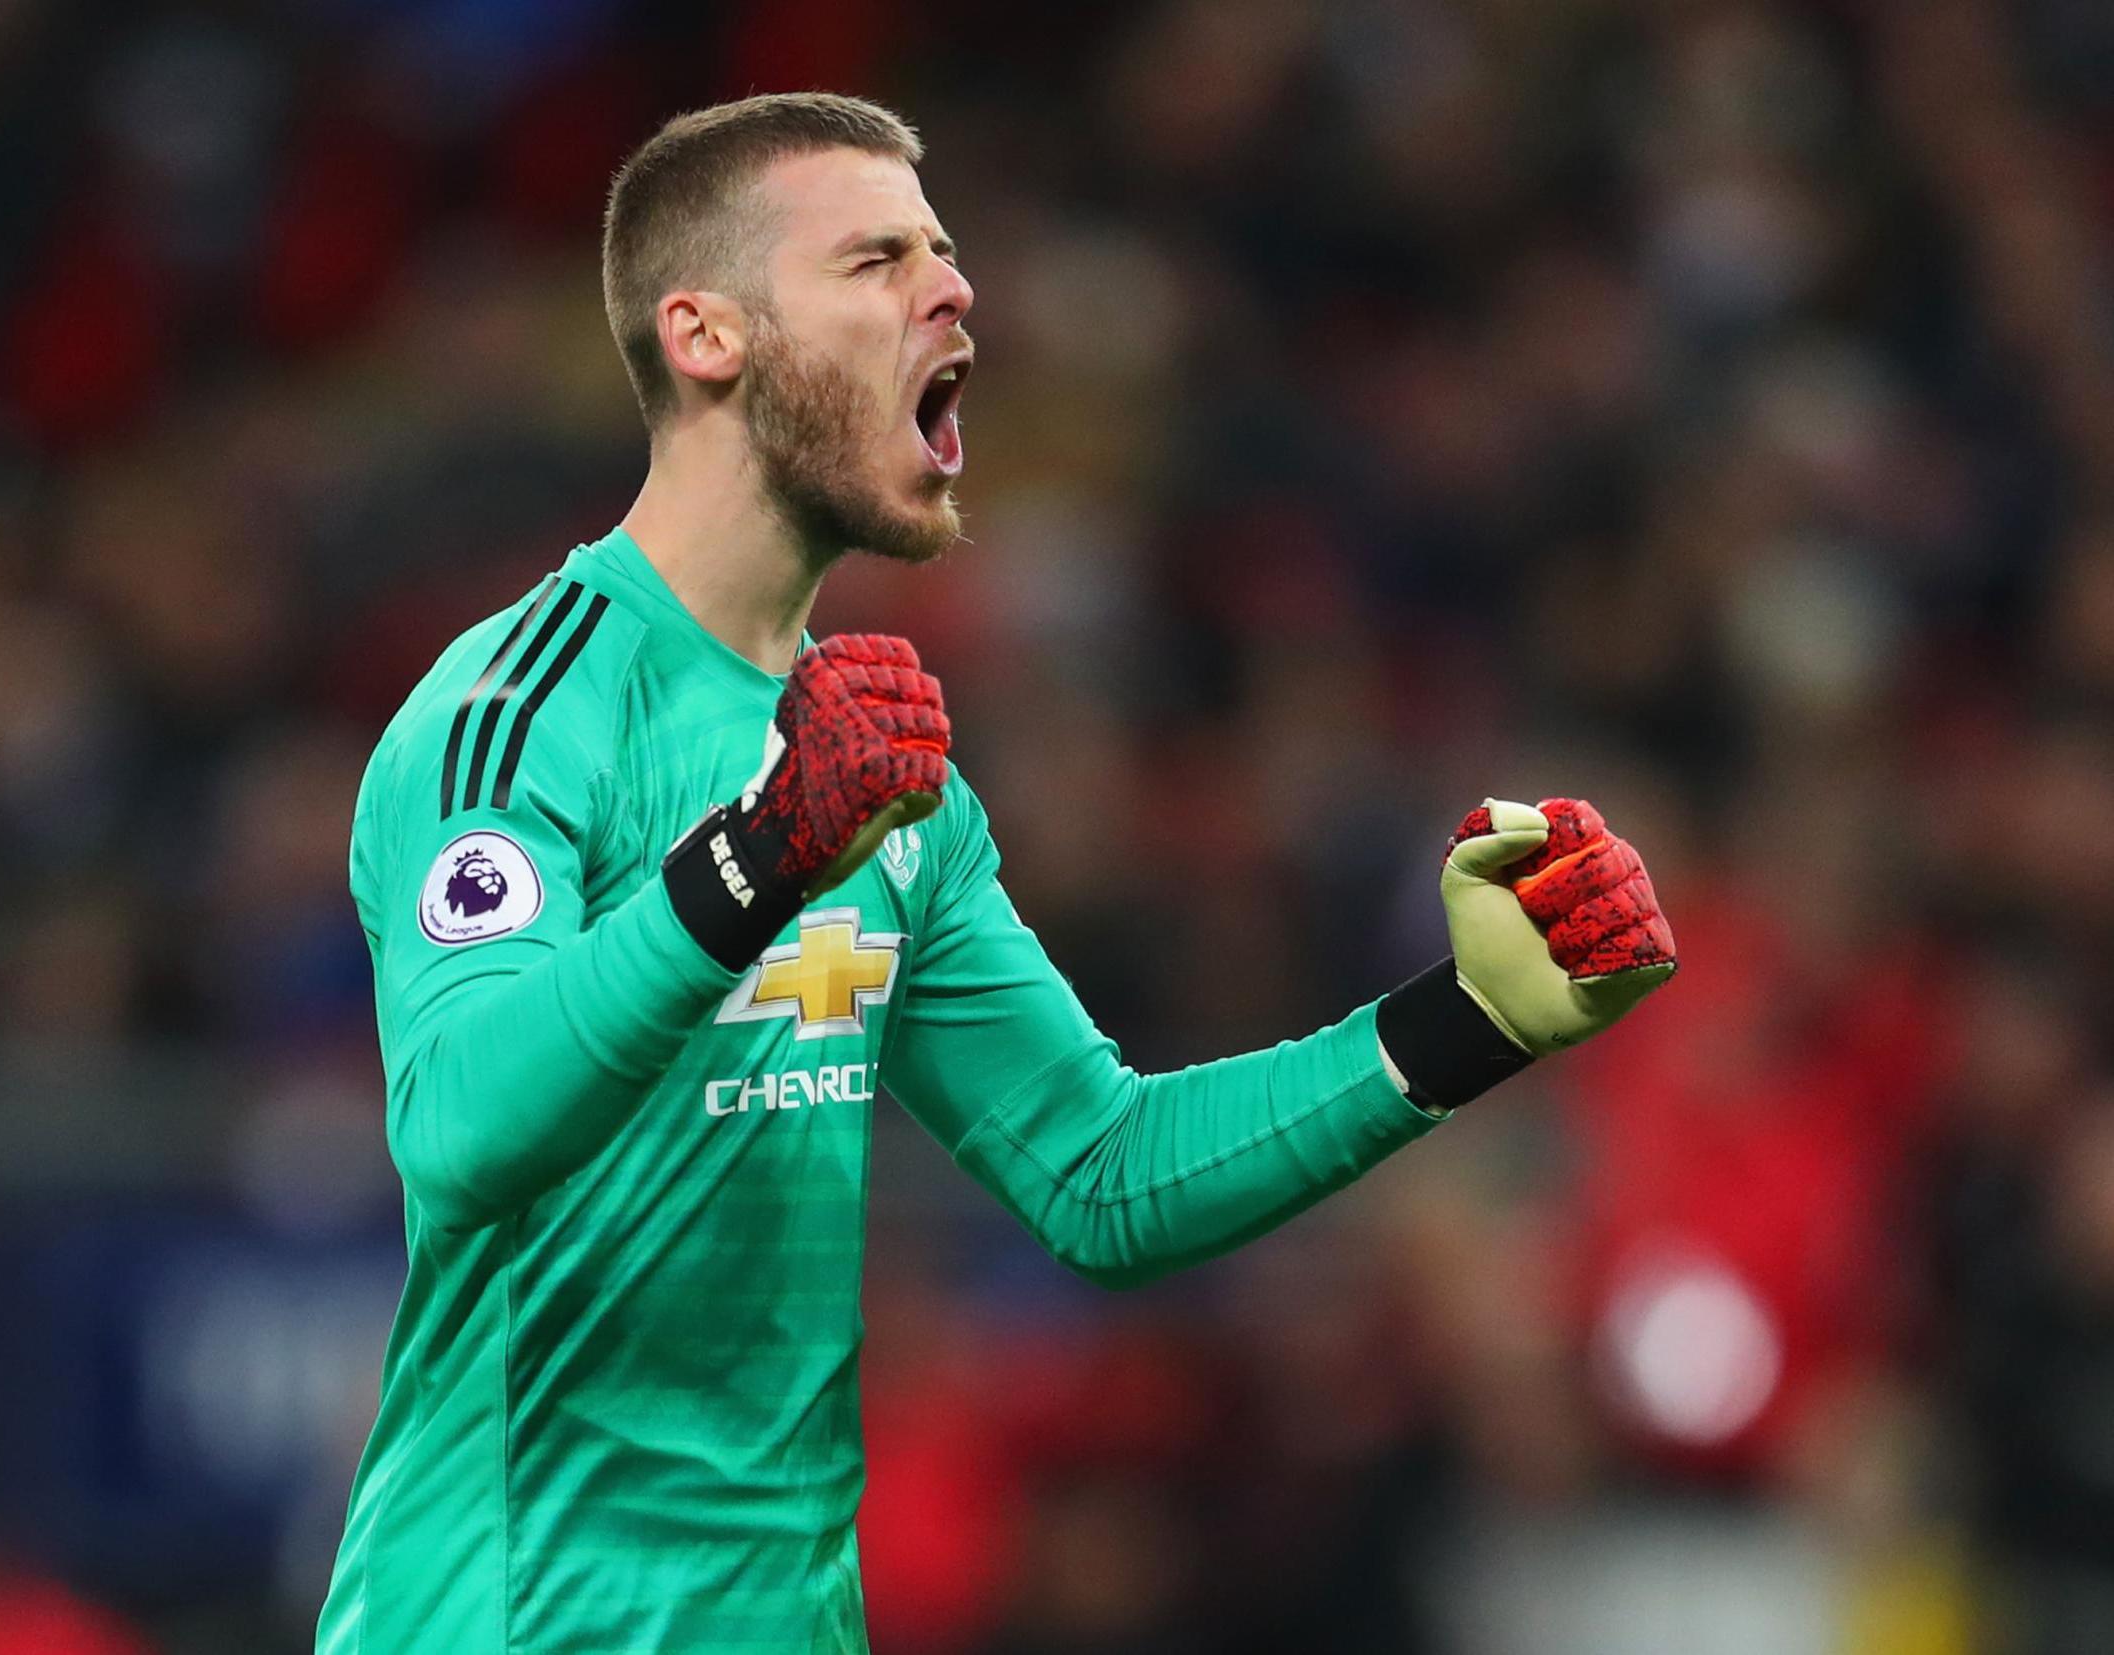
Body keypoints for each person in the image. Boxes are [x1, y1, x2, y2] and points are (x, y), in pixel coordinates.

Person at [315, 91, 1678, 1655]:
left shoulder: (884, 783)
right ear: (708, 336)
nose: (950, 290)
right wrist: (755, 860)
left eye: (947, 253)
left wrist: (1466, 1025)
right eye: (876, 259)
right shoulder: (519, 714)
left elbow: (1098, 1179)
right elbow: (462, 1128)